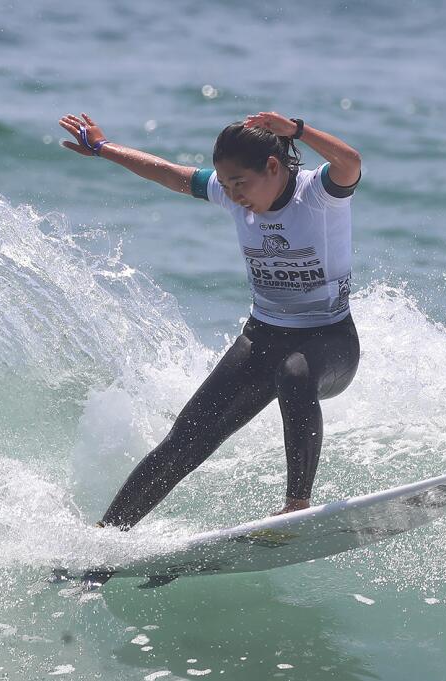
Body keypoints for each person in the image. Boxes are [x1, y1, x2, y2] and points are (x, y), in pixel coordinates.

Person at [58, 110, 362, 529]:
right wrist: (103, 148)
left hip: (330, 342)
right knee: (184, 441)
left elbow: (350, 163)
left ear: (272, 167)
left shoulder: (318, 194)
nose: (233, 194)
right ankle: (104, 542)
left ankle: (297, 505)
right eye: (226, 183)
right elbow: (166, 171)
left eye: (241, 183)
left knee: (294, 374)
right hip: (262, 338)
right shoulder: (228, 191)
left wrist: (297, 130)